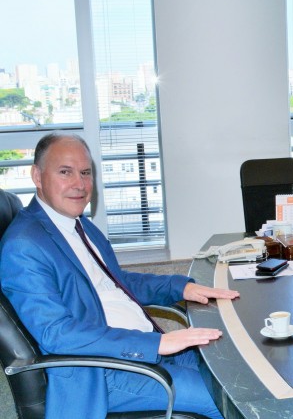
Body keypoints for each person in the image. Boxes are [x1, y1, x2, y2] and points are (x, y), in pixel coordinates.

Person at [0, 133, 240, 418]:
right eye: (65, 172)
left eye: (85, 173)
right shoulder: (24, 245)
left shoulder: (76, 224)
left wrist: (181, 288)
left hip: (140, 348)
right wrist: (157, 343)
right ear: (37, 176)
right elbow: (56, 333)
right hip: (101, 373)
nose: (80, 184)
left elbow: (117, 283)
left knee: (236, 373)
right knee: (230, 401)